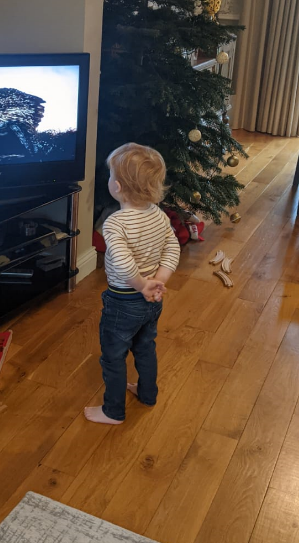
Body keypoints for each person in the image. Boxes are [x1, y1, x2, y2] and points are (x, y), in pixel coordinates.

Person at [85, 143, 181, 425]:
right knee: (145, 346)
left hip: (124, 300)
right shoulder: (158, 214)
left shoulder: (115, 224)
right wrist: (158, 281)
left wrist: (141, 285)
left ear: (116, 186)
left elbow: (124, 264)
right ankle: (147, 394)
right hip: (152, 302)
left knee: (113, 357)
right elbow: (171, 248)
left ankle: (113, 411)